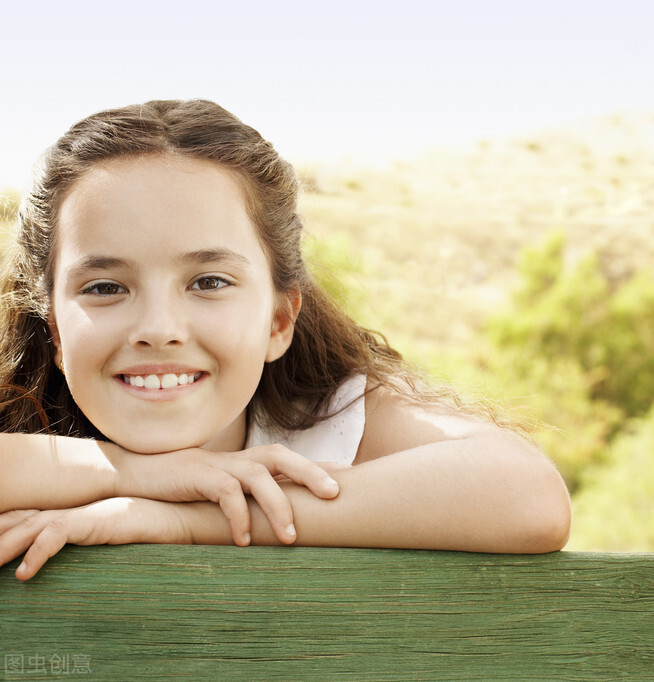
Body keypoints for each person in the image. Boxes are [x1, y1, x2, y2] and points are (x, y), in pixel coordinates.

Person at [0, 99, 571, 581]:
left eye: (209, 282)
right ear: (52, 328)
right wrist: (130, 473)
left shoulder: (328, 417)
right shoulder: (21, 429)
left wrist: (189, 518)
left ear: (279, 320)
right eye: (105, 287)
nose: (158, 330)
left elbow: (527, 495)